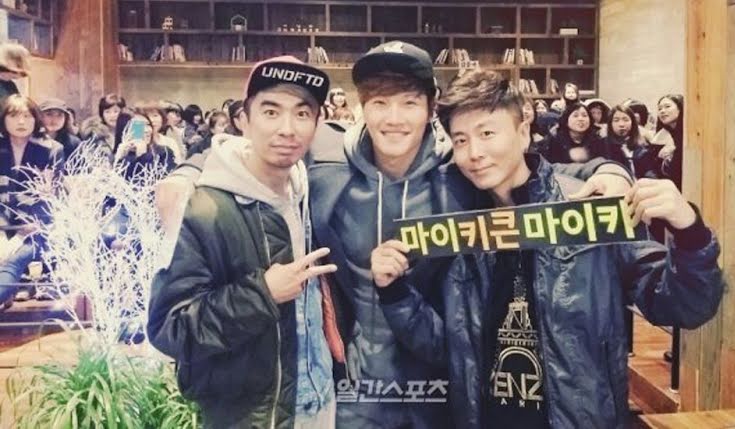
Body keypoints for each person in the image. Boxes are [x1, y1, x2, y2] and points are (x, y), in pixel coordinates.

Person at [308, 41, 636, 429]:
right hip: (362, 390)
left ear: (431, 109)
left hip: (452, 389)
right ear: (362, 107)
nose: (394, 118)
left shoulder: (460, 174)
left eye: (409, 103)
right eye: (380, 103)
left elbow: (534, 175)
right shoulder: (326, 172)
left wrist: (611, 171)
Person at [374, 69, 724, 429]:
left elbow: (686, 306)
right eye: (460, 140)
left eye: (487, 133)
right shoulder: (458, 228)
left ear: (523, 132)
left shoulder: (584, 208)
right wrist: (394, 292)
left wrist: (689, 232)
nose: (474, 153)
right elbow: (448, 348)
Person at [147, 56, 339, 429]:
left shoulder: (308, 187)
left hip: (320, 403)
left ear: (317, 124)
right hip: (251, 417)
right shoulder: (201, 207)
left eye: (302, 114)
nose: (287, 129)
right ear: (244, 120)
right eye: (271, 112)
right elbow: (169, 328)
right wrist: (262, 293)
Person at [0, 95, 61, 308]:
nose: (21, 122)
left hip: (34, 226)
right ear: (3, 119)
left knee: (12, 260)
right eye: (14, 116)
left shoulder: (51, 149)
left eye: (27, 116)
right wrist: (2, 233)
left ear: (36, 119)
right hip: (2, 225)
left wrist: (18, 235)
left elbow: (47, 198)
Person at [602, 104, 660, 180]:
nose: (621, 124)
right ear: (610, 124)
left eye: (626, 120)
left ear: (633, 122)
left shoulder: (642, 146)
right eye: (616, 120)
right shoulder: (602, 145)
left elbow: (650, 172)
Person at [114, 110, 176, 181]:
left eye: (148, 125)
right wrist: (119, 158)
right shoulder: (119, 158)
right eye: (139, 126)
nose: (147, 130)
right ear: (125, 130)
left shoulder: (164, 153)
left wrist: (143, 156)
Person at [542, 101, 608, 164]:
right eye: (575, 116)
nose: (581, 119)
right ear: (566, 121)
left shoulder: (597, 140)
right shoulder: (554, 141)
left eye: (584, 115)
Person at [651, 94, 684, 190]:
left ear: (680, 108)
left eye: (667, 106)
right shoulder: (659, 136)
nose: (662, 111)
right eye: (660, 109)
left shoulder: (690, 134)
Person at [40, 98, 81, 162]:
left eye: (59, 115)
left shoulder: (73, 143)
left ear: (66, 118)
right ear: (39, 116)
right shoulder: (31, 140)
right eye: (49, 114)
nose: (54, 119)